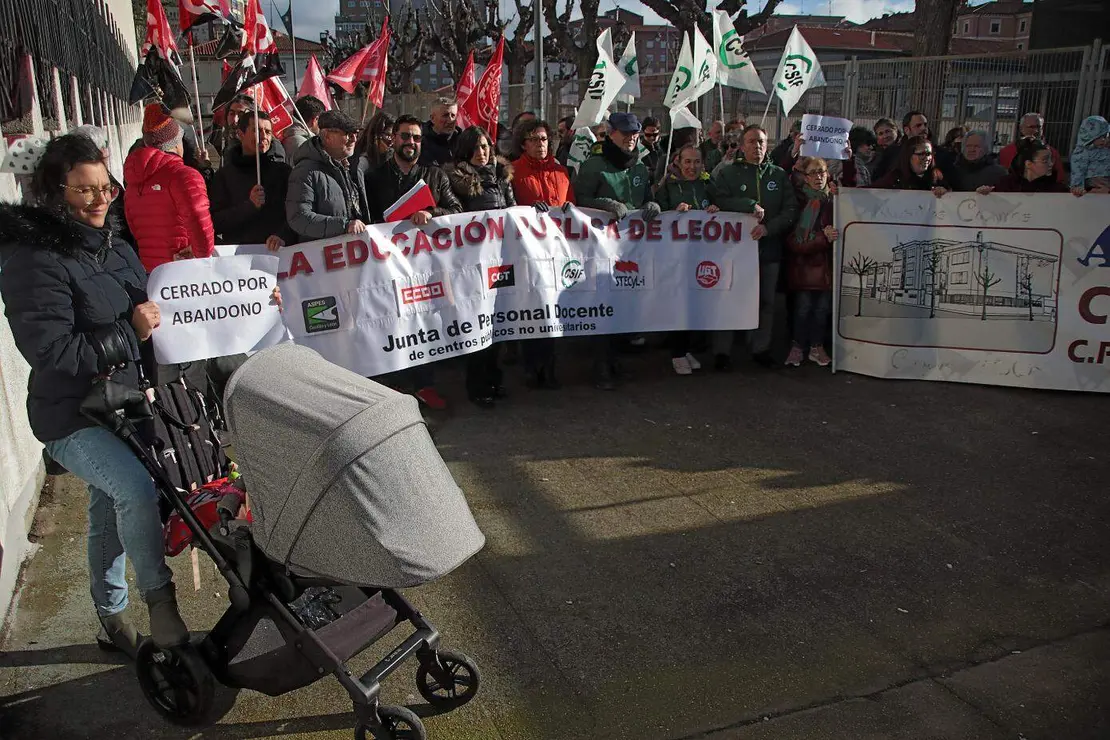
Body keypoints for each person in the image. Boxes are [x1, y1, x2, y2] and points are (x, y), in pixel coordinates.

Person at [0, 134, 189, 657]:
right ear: (53, 192)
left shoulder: (115, 245)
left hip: (124, 402)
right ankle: (160, 599)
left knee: (109, 506)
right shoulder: (32, 260)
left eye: (106, 188)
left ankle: (110, 616)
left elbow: (155, 316)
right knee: (134, 489)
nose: (100, 200)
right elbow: (51, 352)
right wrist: (130, 332)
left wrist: (201, 290)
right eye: (84, 191)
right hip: (69, 414)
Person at [365, 114, 462, 410]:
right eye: (405, 136)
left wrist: (432, 213)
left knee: (424, 321)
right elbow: (367, 217)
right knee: (391, 321)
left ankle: (424, 383)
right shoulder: (374, 177)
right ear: (393, 139)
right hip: (387, 265)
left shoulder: (435, 175)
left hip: (425, 266)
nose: (411, 142)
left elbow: (456, 210)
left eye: (417, 138)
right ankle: (395, 383)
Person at [573, 111, 661, 389]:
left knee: (624, 304)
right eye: (625, 133)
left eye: (634, 134)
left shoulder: (639, 167)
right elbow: (580, 199)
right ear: (611, 134)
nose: (631, 138)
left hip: (631, 247)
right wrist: (605, 204)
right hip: (601, 245)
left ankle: (616, 362)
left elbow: (645, 198)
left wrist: (652, 205)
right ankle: (601, 366)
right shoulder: (594, 165)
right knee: (604, 304)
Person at [710, 124, 797, 370]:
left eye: (761, 142)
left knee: (766, 302)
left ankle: (760, 348)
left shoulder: (778, 175)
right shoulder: (729, 173)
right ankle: (722, 351)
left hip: (768, 249)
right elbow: (718, 200)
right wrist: (748, 204)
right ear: (741, 145)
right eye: (751, 141)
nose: (757, 146)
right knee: (729, 298)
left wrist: (769, 228)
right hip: (734, 252)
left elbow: (790, 209)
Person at [444, 126, 515, 408]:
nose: (481, 152)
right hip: (471, 264)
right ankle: (477, 386)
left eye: (484, 146)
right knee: (477, 324)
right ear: (465, 151)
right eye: (475, 148)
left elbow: (512, 210)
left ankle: (495, 378)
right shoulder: (456, 179)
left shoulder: (502, 176)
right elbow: (453, 216)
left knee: (498, 324)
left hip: (500, 261)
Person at [511, 119, 575, 389]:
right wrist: (528, 212)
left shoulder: (561, 171)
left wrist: (571, 209)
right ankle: (531, 366)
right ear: (523, 144)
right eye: (534, 139)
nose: (540, 144)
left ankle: (549, 367)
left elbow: (571, 203)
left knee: (551, 308)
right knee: (532, 309)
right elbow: (509, 209)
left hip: (556, 251)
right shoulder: (514, 171)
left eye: (544, 139)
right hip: (527, 251)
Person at [123, 104, 215, 272]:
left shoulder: (133, 183)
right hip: (184, 271)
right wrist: (200, 253)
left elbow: (134, 229)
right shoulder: (184, 176)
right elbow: (200, 224)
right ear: (177, 142)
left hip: (152, 273)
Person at [656, 144, 718, 376]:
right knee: (678, 304)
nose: (692, 167)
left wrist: (716, 209)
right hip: (674, 256)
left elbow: (723, 208)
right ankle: (677, 353)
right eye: (687, 162)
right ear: (678, 162)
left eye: (697, 162)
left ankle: (686, 349)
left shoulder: (708, 185)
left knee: (694, 305)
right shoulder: (668, 186)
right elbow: (657, 213)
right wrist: (673, 211)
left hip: (701, 255)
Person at [208, 110, 295, 250]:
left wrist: (283, 236)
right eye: (257, 130)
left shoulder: (284, 172)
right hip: (241, 257)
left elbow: (296, 213)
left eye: (268, 132)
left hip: (279, 255)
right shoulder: (224, 176)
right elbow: (215, 223)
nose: (264, 136)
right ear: (240, 134)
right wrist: (249, 206)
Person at [285, 109, 370, 241]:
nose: (354, 139)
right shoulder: (305, 171)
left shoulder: (345, 166)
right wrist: (344, 226)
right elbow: (298, 217)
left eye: (356, 134)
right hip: (320, 252)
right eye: (348, 134)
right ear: (326, 136)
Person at [784, 156, 837, 368]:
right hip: (803, 267)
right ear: (805, 178)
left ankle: (817, 347)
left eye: (821, 172)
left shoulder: (834, 201)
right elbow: (795, 240)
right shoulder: (799, 202)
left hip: (826, 268)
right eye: (813, 173)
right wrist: (822, 238)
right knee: (802, 309)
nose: (818, 177)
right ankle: (797, 346)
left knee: (822, 310)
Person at [872, 135, 949, 197]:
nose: (927, 158)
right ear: (908, 156)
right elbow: (870, 192)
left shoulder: (937, 176)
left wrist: (944, 192)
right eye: (921, 154)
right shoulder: (894, 178)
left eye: (929, 154)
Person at [998, 113, 1065, 183]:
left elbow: (1059, 180)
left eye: (1038, 127)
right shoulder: (1006, 152)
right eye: (1031, 127)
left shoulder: (1052, 152)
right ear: (1021, 128)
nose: (1036, 130)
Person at [989, 139, 1070, 193]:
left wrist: (1075, 194)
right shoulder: (1005, 186)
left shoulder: (1058, 190)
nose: (1051, 164)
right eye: (1045, 161)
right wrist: (985, 193)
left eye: (1051, 160)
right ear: (1028, 164)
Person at [872, 111, 930, 181]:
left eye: (888, 131)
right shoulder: (880, 153)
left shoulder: (934, 151)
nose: (885, 136)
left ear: (896, 131)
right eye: (881, 134)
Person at [1069, 115, 1110, 195]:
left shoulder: (1106, 149)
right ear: (1088, 136)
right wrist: (1077, 187)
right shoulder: (1082, 152)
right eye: (1099, 136)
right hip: (1095, 184)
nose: (1103, 139)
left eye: (1105, 136)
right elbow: (1078, 171)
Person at [283, 95, 326, 161]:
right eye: (321, 120)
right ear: (315, 119)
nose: (322, 125)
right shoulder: (304, 144)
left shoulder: (289, 136)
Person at [420, 97, 459, 167]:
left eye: (453, 115)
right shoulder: (420, 142)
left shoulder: (462, 141)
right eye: (445, 115)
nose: (450, 120)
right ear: (432, 118)